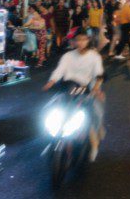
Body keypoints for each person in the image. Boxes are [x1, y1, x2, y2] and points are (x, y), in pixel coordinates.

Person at [43, 28, 106, 161]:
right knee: (49, 111)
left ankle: (94, 145)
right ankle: (51, 140)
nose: (81, 42)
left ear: (88, 40)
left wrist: (97, 89)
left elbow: (99, 75)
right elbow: (60, 70)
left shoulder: (94, 57)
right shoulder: (68, 56)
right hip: (66, 89)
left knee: (94, 114)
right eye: (78, 40)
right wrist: (51, 81)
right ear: (74, 41)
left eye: (84, 39)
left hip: (85, 90)